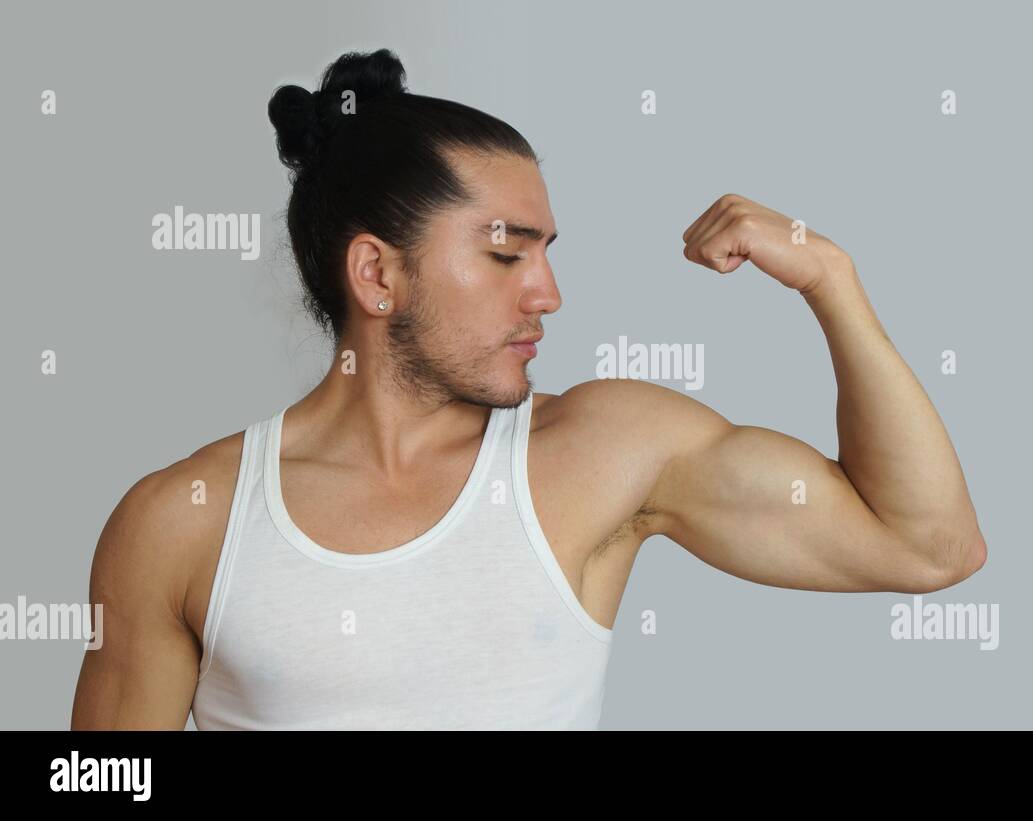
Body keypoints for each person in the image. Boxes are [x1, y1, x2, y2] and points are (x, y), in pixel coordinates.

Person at [71, 49, 986, 730]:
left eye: (547, 255)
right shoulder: (182, 521)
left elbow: (928, 544)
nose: (547, 294)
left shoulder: (606, 452)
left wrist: (831, 279)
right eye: (507, 253)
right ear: (376, 276)